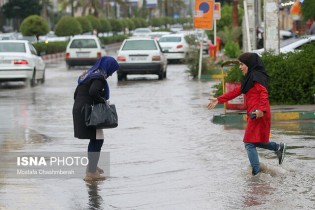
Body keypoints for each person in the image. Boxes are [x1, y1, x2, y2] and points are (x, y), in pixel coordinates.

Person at [207, 52, 286, 176]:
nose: (240, 67)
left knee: (249, 143)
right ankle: (277, 147)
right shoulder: (250, 78)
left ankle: (257, 174)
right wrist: (219, 99)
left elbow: (264, 94)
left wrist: (260, 110)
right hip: (255, 113)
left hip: (258, 113)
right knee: (253, 141)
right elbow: (236, 91)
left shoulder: (256, 76)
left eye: (242, 64)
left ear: (249, 64)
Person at [72, 56, 119, 181]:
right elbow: (93, 92)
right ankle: (91, 172)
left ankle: (92, 167)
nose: (111, 74)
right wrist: (103, 101)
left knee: (96, 139)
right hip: (88, 112)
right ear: (108, 67)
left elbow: (76, 94)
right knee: (98, 140)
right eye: (112, 71)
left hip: (80, 109)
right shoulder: (98, 77)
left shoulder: (87, 75)